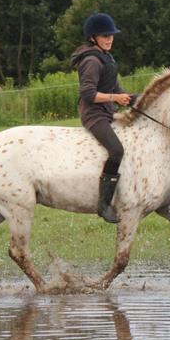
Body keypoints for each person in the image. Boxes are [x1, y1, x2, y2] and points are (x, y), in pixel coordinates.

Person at [69, 12, 136, 224]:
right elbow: (88, 94)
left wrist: (134, 99)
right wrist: (115, 97)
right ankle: (104, 204)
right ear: (92, 38)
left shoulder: (106, 57)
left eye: (111, 35)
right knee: (117, 150)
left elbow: (113, 87)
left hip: (106, 111)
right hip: (93, 115)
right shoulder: (91, 60)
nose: (110, 39)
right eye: (104, 35)